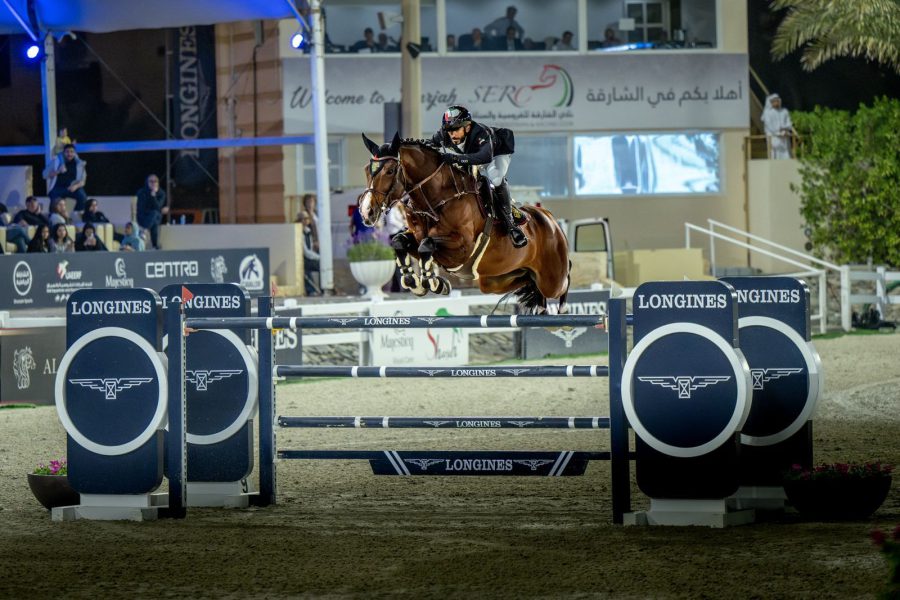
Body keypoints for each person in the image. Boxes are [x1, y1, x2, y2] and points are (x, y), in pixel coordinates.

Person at [431, 105, 526, 248]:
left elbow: (485, 157)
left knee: (495, 178)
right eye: (449, 130)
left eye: (456, 129)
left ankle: (511, 225)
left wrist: (455, 158)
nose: (452, 134)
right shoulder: (444, 134)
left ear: (467, 127)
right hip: (473, 155)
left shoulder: (480, 133)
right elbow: (428, 145)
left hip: (496, 153)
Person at [44, 143, 88, 212]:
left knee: (82, 196)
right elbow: (44, 175)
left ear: (75, 153)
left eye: (72, 152)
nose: (69, 154)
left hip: (71, 188)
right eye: (67, 152)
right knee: (55, 202)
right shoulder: (56, 161)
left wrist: (75, 186)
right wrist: (58, 171)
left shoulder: (79, 164)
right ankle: (54, 216)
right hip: (58, 188)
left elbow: (83, 181)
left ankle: (77, 214)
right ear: (64, 153)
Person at [136, 174, 168, 249]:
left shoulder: (161, 193)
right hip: (143, 217)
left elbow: (158, 206)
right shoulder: (142, 192)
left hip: (154, 216)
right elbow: (142, 207)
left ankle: (144, 231)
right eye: (151, 181)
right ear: (147, 182)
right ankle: (155, 245)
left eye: (155, 181)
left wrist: (153, 196)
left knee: (155, 214)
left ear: (158, 183)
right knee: (155, 217)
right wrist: (159, 209)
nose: (153, 183)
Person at [762, 93, 794, 159]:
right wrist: (779, 132)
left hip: (785, 137)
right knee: (775, 155)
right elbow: (769, 126)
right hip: (773, 137)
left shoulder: (784, 111)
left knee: (786, 155)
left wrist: (785, 130)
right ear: (771, 102)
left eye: (777, 101)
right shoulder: (767, 113)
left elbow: (789, 123)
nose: (777, 102)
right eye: (775, 101)